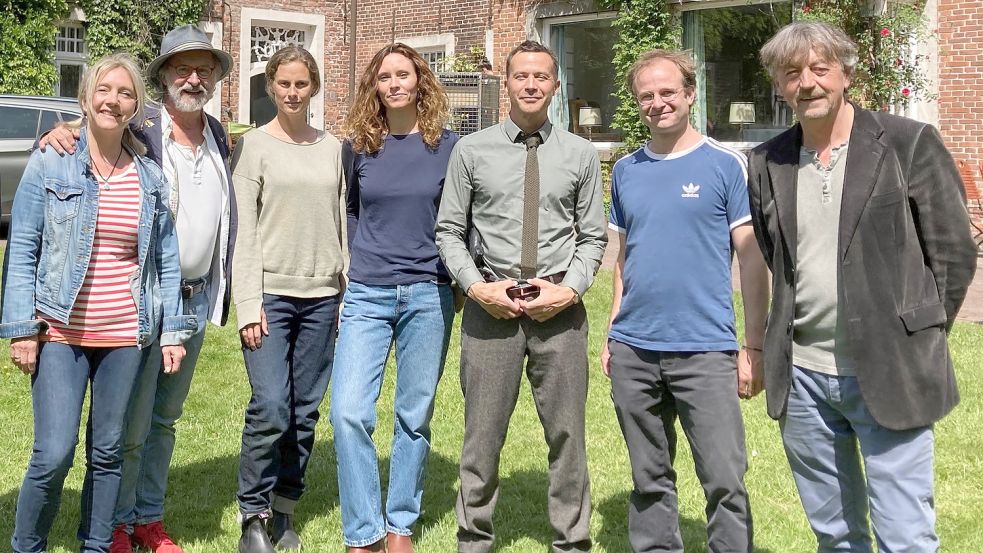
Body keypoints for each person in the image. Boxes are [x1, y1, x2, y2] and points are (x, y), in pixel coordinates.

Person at [748, 21, 977, 552]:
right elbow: (775, 253)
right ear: (779, 86)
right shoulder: (767, 160)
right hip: (803, 377)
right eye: (791, 73)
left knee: (905, 535)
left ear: (845, 74)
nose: (807, 83)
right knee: (836, 535)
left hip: (890, 368)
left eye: (819, 69)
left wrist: (916, 331)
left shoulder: (906, 143)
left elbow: (953, 251)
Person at [39, 24, 237, 553]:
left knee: (165, 419)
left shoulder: (219, 136)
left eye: (204, 69)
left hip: (196, 300)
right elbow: (96, 125)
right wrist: (61, 130)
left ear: (216, 77)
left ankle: (148, 516)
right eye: (181, 67)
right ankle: (119, 521)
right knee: (130, 424)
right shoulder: (143, 124)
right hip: (146, 301)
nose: (193, 78)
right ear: (164, 75)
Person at [1, 53, 194, 553]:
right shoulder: (51, 160)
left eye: (126, 92)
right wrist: (22, 327)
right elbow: (23, 246)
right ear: (86, 98)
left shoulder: (149, 176)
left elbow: (166, 261)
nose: (114, 100)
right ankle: (27, 545)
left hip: (126, 335)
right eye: (104, 90)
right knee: (53, 453)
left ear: (136, 106)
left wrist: (172, 331)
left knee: (108, 452)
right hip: (61, 331)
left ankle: (96, 544)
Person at [435, 40, 607, 553]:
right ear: (505, 83)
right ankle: (474, 538)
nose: (531, 85)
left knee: (567, 438)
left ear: (555, 86)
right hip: (492, 311)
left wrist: (570, 289)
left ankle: (571, 541)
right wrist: (477, 287)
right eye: (521, 76)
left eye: (542, 77)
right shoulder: (471, 151)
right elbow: (449, 231)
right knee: (481, 438)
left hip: (560, 314)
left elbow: (593, 236)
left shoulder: (578, 154)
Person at [599, 49, 769, 553]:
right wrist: (613, 333)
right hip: (634, 350)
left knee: (725, 480)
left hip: (705, 350)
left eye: (668, 92)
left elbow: (752, 259)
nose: (657, 103)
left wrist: (752, 346)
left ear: (690, 94)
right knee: (649, 479)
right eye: (646, 95)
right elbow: (625, 260)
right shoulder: (626, 170)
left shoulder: (725, 165)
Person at [330, 43, 458, 553]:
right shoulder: (360, 146)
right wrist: (360, 263)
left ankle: (400, 523)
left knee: (414, 415)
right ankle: (363, 531)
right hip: (367, 293)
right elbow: (354, 211)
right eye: (385, 77)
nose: (395, 83)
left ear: (420, 80)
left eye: (404, 74)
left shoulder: (448, 147)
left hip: (429, 293)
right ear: (375, 87)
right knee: (348, 412)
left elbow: (457, 219)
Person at [230, 45, 347, 553]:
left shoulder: (333, 148)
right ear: (271, 87)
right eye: (284, 84)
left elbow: (343, 222)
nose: (293, 93)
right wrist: (248, 302)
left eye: (302, 84)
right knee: (272, 404)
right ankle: (252, 513)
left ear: (314, 87)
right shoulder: (254, 148)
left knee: (304, 411)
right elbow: (244, 232)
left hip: (323, 296)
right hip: (271, 297)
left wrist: (344, 292)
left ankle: (284, 510)